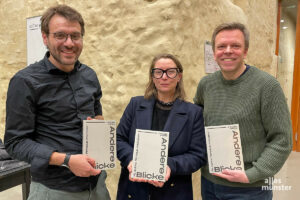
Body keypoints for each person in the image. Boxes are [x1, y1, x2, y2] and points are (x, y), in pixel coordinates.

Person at [4, 5, 110, 200]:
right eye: (60, 35)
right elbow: (15, 143)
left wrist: (99, 127)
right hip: (53, 191)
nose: (69, 43)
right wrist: (67, 161)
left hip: (97, 187)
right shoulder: (25, 82)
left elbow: (97, 115)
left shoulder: (89, 75)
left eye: (75, 36)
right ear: (45, 37)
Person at [194, 22, 293, 200]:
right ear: (214, 52)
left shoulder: (267, 86)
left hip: (250, 189)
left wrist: (253, 174)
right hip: (210, 183)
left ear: (245, 51)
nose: (228, 51)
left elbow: (282, 140)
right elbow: (197, 125)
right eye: (221, 46)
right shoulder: (206, 85)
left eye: (236, 46)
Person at [116, 54, 207, 200]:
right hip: (134, 190)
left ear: (179, 76)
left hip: (173, 191)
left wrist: (169, 166)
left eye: (171, 72)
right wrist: (134, 160)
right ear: (152, 77)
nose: (164, 77)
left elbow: (198, 155)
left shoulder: (193, 113)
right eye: (158, 72)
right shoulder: (135, 105)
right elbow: (119, 139)